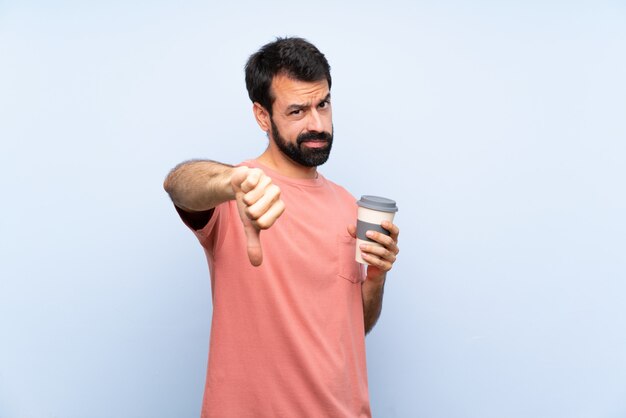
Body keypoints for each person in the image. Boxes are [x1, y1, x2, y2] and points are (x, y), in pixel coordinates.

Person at [163, 37, 400, 418]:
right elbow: (178, 183)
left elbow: (354, 327)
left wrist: (376, 278)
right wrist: (231, 182)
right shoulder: (238, 191)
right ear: (262, 116)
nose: (317, 124)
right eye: (297, 111)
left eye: (322, 104)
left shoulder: (346, 204)